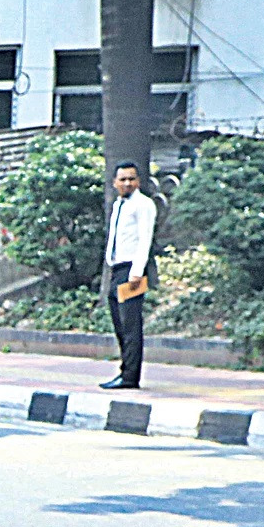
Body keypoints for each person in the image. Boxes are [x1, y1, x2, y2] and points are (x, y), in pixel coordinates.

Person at [102, 160, 156, 390]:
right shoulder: (119, 204)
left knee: (130, 323)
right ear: (115, 182)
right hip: (117, 269)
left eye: (131, 179)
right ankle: (125, 369)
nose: (127, 183)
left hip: (132, 270)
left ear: (138, 181)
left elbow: (145, 239)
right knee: (118, 321)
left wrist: (136, 271)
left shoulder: (143, 205)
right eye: (123, 179)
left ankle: (130, 377)